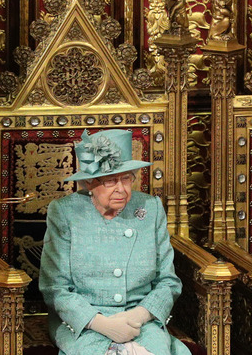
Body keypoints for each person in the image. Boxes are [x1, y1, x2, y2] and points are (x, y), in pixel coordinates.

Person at [40, 129, 191, 355]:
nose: (121, 189)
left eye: (126, 179)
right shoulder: (65, 213)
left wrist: (139, 315)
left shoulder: (150, 208)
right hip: (84, 325)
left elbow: (168, 282)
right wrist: (101, 324)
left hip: (142, 323)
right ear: (90, 183)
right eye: (111, 180)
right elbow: (55, 288)